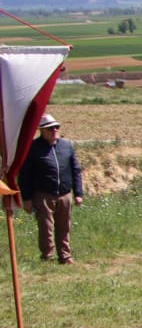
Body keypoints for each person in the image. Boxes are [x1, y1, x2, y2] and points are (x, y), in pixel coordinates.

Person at [18, 113, 83, 265]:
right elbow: (25, 175)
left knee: (64, 226)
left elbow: (75, 170)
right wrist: (26, 198)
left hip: (65, 194)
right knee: (46, 227)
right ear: (42, 130)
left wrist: (78, 193)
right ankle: (48, 256)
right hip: (43, 195)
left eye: (56, 127)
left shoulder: (66, 146)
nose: (54, 130)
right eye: (50, 128)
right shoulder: (33, 148)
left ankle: (65, 256)